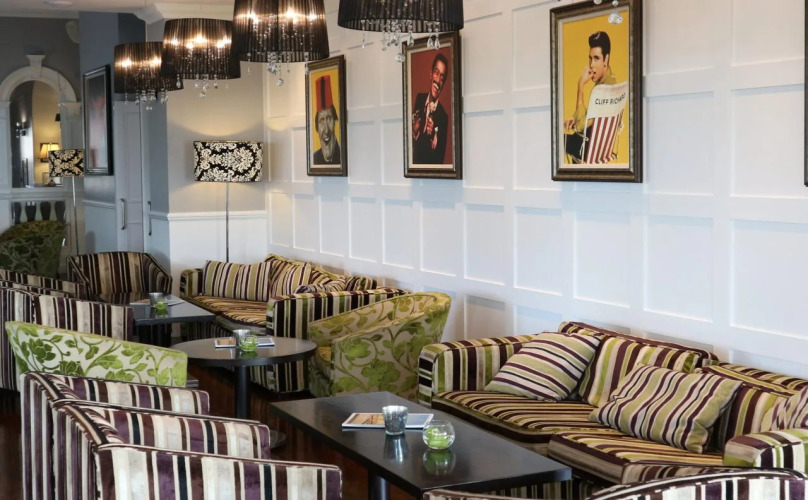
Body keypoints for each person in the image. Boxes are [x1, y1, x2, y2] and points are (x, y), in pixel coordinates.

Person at [564, 31, 618, 161]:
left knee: (557, 140)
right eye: (590, 58)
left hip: (588, 150)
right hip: (603, 150)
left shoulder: (602, 91)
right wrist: (575, 118)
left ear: (606, 59)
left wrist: (580, 85)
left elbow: (580, 127)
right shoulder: (612, 83)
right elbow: (592, 118)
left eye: (596, 58)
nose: (591, 64)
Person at [411, 53, 449, 164]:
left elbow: (439, 160)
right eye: (436, 73)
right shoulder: (419, 99)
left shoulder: (443, 117)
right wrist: (414, 130)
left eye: (442, 77)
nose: (438, 80)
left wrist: (432, 137)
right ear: (431, 74)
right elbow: (411, 145)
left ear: (443, 84)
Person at [312, 74, 341, 165]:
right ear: (317, 128)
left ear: (335, 121)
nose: (326, 130)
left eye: (329, 119)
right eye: (321, 120)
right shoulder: (314, 158)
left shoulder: (342, 157)